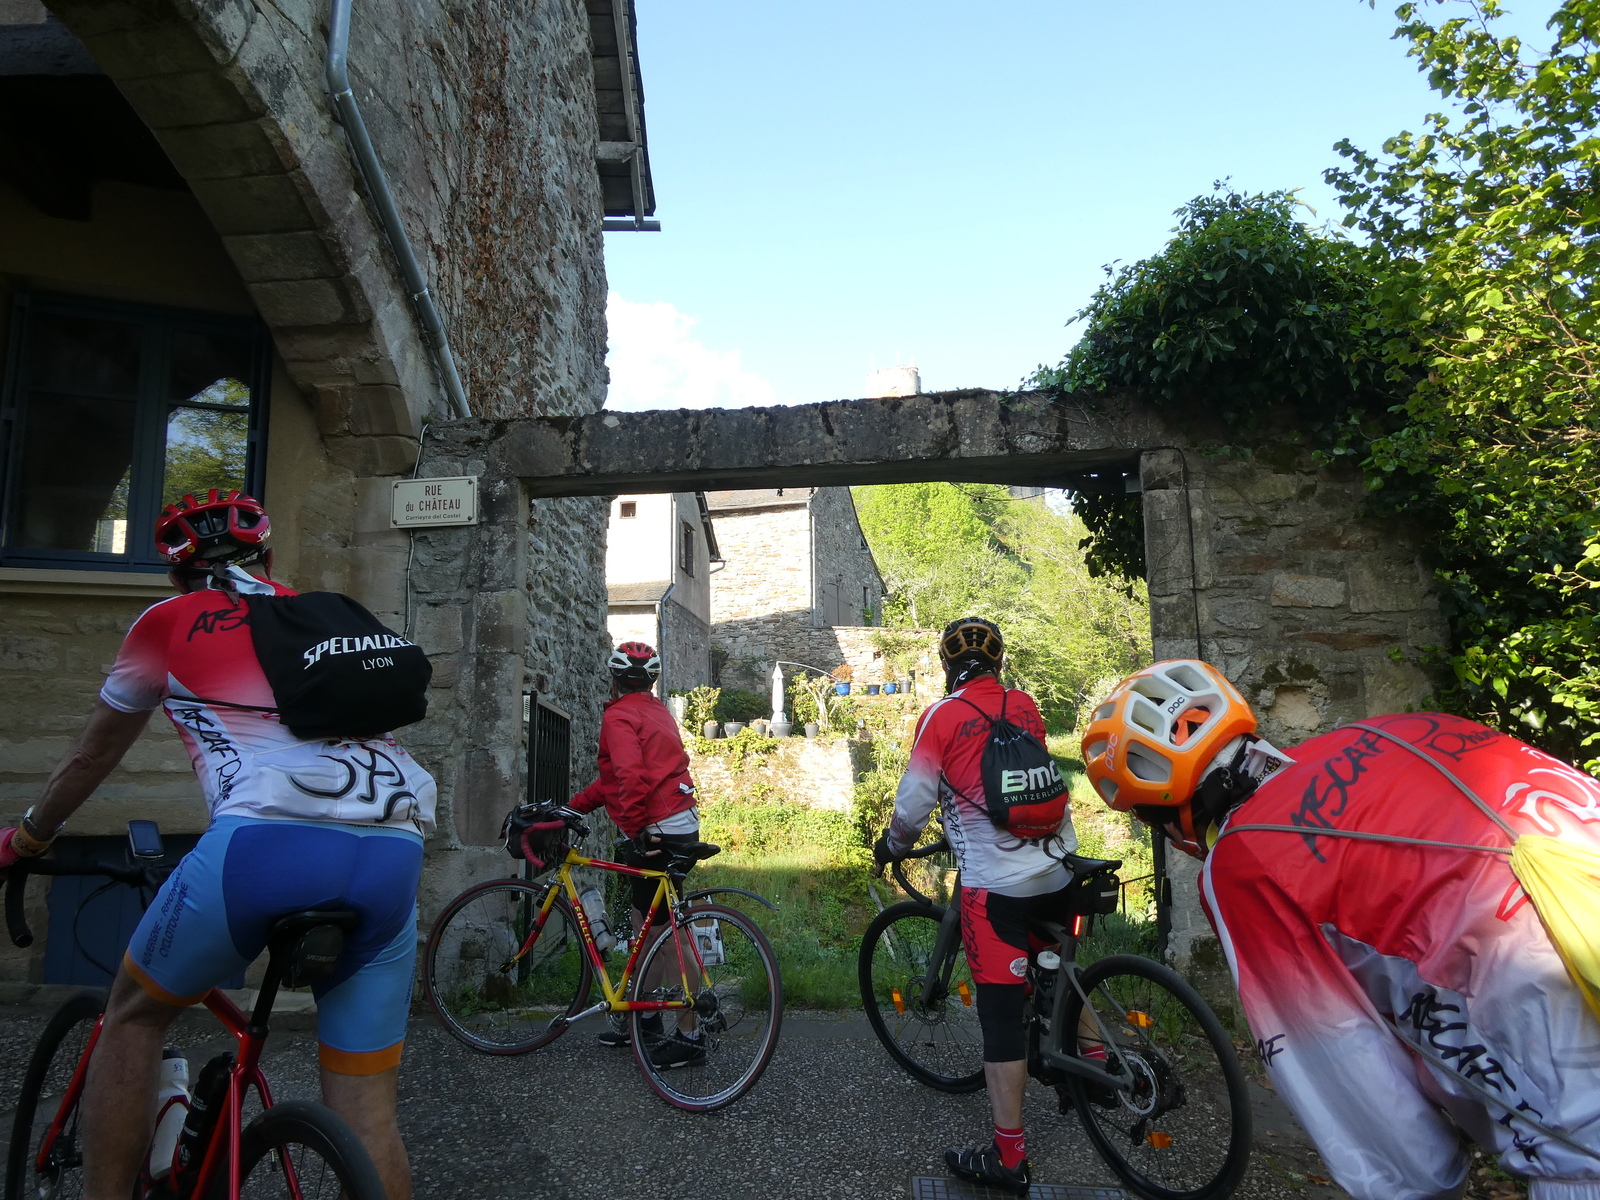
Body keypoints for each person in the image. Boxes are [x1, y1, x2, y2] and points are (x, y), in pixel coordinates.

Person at [0, 489, 434, 1200]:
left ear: (178, 574)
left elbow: (90, 757)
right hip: (393, 849)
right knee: (367, 1114)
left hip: (263, 845)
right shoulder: (323, 621)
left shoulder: (167, 622)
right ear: (269, 558)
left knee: (134, 1015)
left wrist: (27, 837)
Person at [1080, 659, 1600, 1200]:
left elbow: (1343, 1065)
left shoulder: (1243, 862)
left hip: (1571, 1092)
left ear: (1164, 815)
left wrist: (1413, 1183)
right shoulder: (1396, 728)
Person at [873, 617, 1079, 1194]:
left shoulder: (942, 716)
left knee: (1000, 1020)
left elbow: (915, 804)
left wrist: (893, 846)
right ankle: (1096, 1065)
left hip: (995, 885)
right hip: (1061, 864)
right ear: (998, 663)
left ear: (947, 666)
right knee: (1062, 967)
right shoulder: (1025, 704)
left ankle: (1009, 1158)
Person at [566, 640, 703, 1067]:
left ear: (614, 679)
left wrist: (636, 827)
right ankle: (644, 1019)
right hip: (679, 820)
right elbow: (615, 781)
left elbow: (629, 776)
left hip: (657, 829)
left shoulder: (619, 715)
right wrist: (573, 807)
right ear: (651, 681)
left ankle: (691, 1034)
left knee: (666, 933)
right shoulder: (656, 711)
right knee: (645, 922)